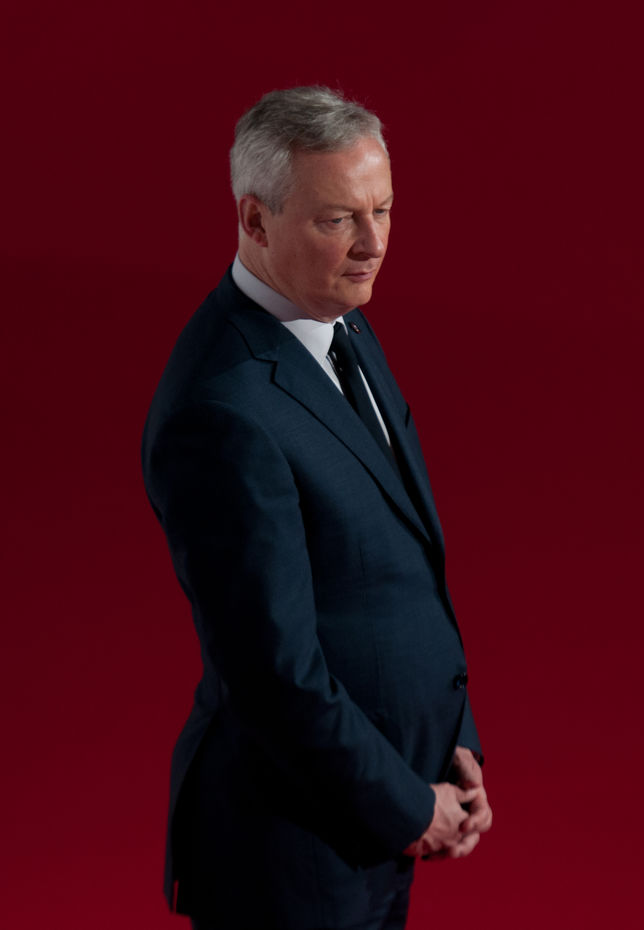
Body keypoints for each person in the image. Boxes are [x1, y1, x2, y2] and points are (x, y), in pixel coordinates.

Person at [142, 86, 493, 930]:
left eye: (383, 210)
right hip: (290, 854)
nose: (373, 244)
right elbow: (273, 675)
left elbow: (391, 571)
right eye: (338, 220)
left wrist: (452, 739)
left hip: (370, 814)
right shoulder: (222, 410)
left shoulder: (336, 320)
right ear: (255, 221)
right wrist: (408, 804)